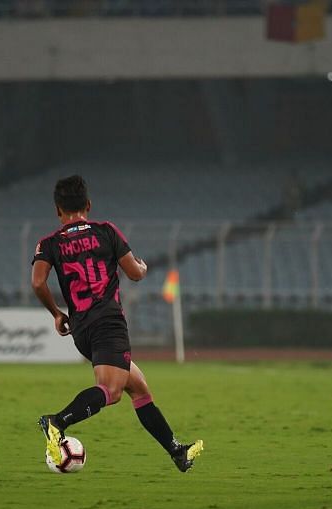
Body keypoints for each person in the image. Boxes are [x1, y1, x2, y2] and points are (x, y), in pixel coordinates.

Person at [31, 175, 203, 472]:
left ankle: (176, 451)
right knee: (110, 391)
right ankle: (57, 422)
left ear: (58, 210)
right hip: (108, 323)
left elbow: (37, 283)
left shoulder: (49, 244)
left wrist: (57, 314)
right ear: (88, 205)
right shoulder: (106, 231)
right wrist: (143, 268)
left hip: (81, 329)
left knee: (138, 388)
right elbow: (134, 274)